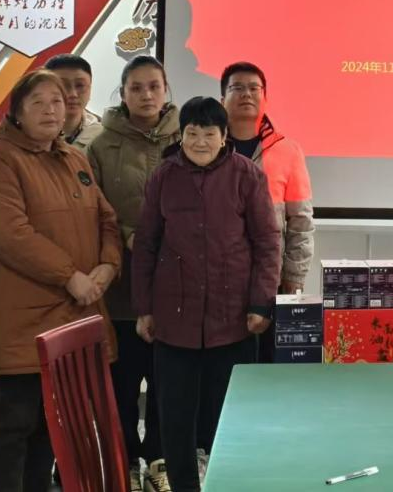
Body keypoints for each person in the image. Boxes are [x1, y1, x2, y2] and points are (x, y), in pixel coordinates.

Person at [0, 69, 121, 492]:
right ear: (17, 112)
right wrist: (70, 276)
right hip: (24, 318)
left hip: (75, 311)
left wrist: (108, 266)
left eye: (56, 101)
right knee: (15, 421)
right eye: (37, 102)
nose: (50, 109)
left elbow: (107, 219)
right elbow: (10, 234)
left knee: (52, 424)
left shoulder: (74, 158)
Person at [133, 97, 280, 492]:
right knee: (175, 417)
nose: (200, 142)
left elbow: (267, 242)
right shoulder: (164, 177)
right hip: (174, 319)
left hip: (232, 318)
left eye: (209, 134)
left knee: (228, 415)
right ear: (180, 136)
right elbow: (146, 244)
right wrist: (144, 308)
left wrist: (261, 302)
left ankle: (229, 484)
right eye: (192, 133)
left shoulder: (246, 175)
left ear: (224, 136)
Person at [87, 56, 180, 492]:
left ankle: (160, 460)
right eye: (136, 87)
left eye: (154, 86)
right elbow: (94, 212)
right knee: (121, 386)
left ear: (166, 90)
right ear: (122, 93)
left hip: (174, 289)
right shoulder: (101, 146)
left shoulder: (186, 138)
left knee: (166, 384)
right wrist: (128, 237)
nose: (146, 95)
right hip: (122, 290)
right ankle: (123, 461)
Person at [220, 61, 314, 361]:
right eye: (237, 87)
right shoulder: (209, 148)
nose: (246, 94)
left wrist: (294, 276)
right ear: (222, 98)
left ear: (265, 97)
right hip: (221, 279)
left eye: (254, 88)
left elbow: (301, 222)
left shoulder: (288, 150)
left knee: (267, 364)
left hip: (271, 280)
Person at [45, 53, 103, 151]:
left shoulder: (103, 139)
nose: (73, 94)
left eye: (80, 85)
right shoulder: (24, 125)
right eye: (63, 85)